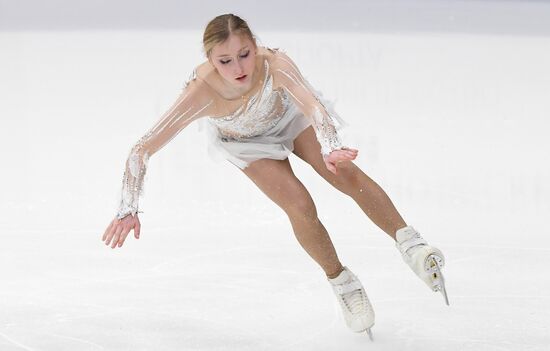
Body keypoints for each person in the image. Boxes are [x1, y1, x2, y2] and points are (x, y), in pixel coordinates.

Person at [101, 13, 448, 339]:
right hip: (247, 142)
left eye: (244, 54)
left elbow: (312, 105)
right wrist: (127, 207)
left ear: (255, 44)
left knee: (343, 172)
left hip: (287, 117)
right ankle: (342, 282)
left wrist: (329, 145)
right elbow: (141, 149)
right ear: (209, 59)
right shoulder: (201, 93)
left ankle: (412, 245)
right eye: (225, 61)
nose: (238, 67)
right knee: (300, 205)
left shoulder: (275, 64)